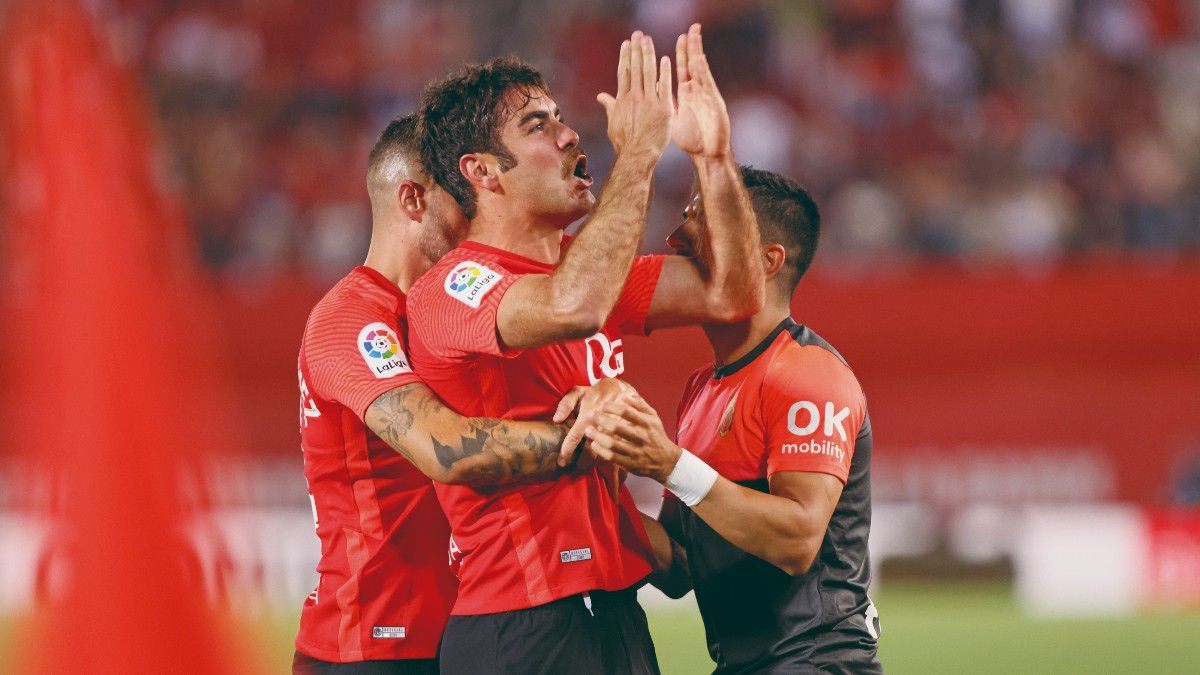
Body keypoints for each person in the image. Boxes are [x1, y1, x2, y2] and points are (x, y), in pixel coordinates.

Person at [406, 25, 764, 675]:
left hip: (614, 612)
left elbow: (733, 293)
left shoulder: (584, 265)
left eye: (563, 119)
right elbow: (576, 307)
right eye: (539, 125)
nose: (571, 135)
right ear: (482, 171)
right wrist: (639, 155)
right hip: (520, 623)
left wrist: (714, 159)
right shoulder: (455, 286)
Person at [293, 113, 624, 675]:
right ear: (414, 200)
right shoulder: (352, 321)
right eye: (459, 194)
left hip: (453, 630)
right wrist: (593, 438)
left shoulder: (458, 307)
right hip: (373, 641)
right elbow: (444, 447)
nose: (477, 208)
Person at [586, 167, 883, 673]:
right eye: (683, 218)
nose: (674, 237)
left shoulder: (807, 374)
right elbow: (680, 565)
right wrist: (590, 489)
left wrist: (668, 464)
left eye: (704, 224)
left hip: (815, 660)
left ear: (767, 261)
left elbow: (798, 540)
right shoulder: (703, 388)